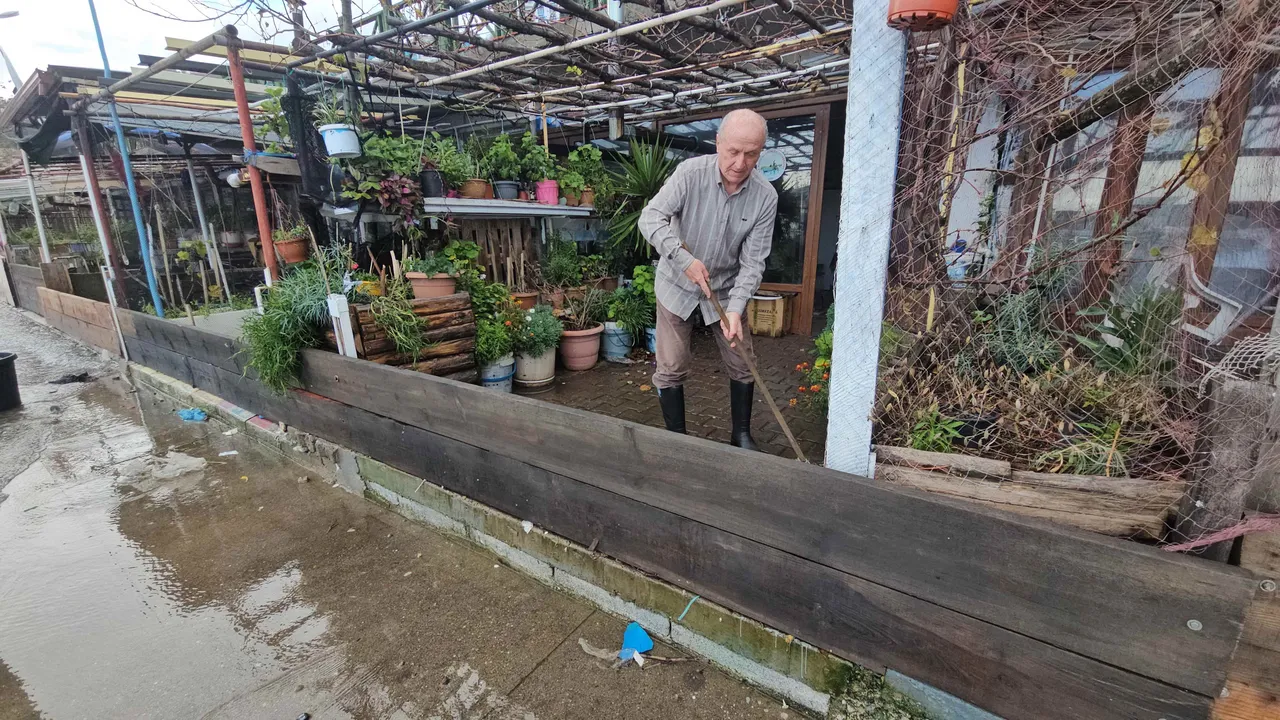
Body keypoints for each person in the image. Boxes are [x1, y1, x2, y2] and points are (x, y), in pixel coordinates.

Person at [639, 109, 779, 451]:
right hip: (677, 285)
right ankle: (678, 442)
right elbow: (650, 218)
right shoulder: (690, 174)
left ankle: (741, 434)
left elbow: (753, 262)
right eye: (733, 151)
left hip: (727, 291)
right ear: (718, 143)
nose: (740, 162)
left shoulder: (765, 197)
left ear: (761, 152)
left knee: (743, 361)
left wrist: (736, 307)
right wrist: (683, 260)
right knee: (671, 366)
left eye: (751, 154)